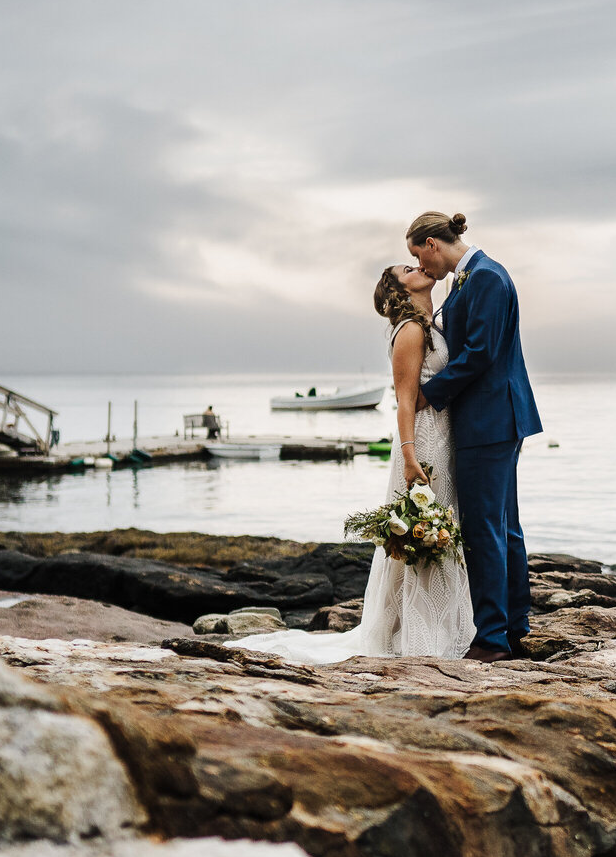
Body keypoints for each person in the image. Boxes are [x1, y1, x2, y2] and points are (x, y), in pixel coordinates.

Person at [230, 263, 475, 662]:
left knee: (439, 532)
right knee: (424, 536)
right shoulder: (411, 331)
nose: (419, 267)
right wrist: (411, 459)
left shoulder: (434, 323)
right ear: (399, 288)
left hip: (443, 436)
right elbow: (405, 401)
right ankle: (420, 634)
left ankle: (436, 621)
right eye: (408, 269)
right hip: (423, 441)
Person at [407, 211, 542, 662]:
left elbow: (481, 353)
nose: (422, 268)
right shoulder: (470, 278)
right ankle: (514, 626)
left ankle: (492, 639)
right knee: (503, 526)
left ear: (431, 243)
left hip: (488, 419)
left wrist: (430, 392)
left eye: (418, 256)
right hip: (496, 418)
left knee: (484, 529)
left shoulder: (484, 278)